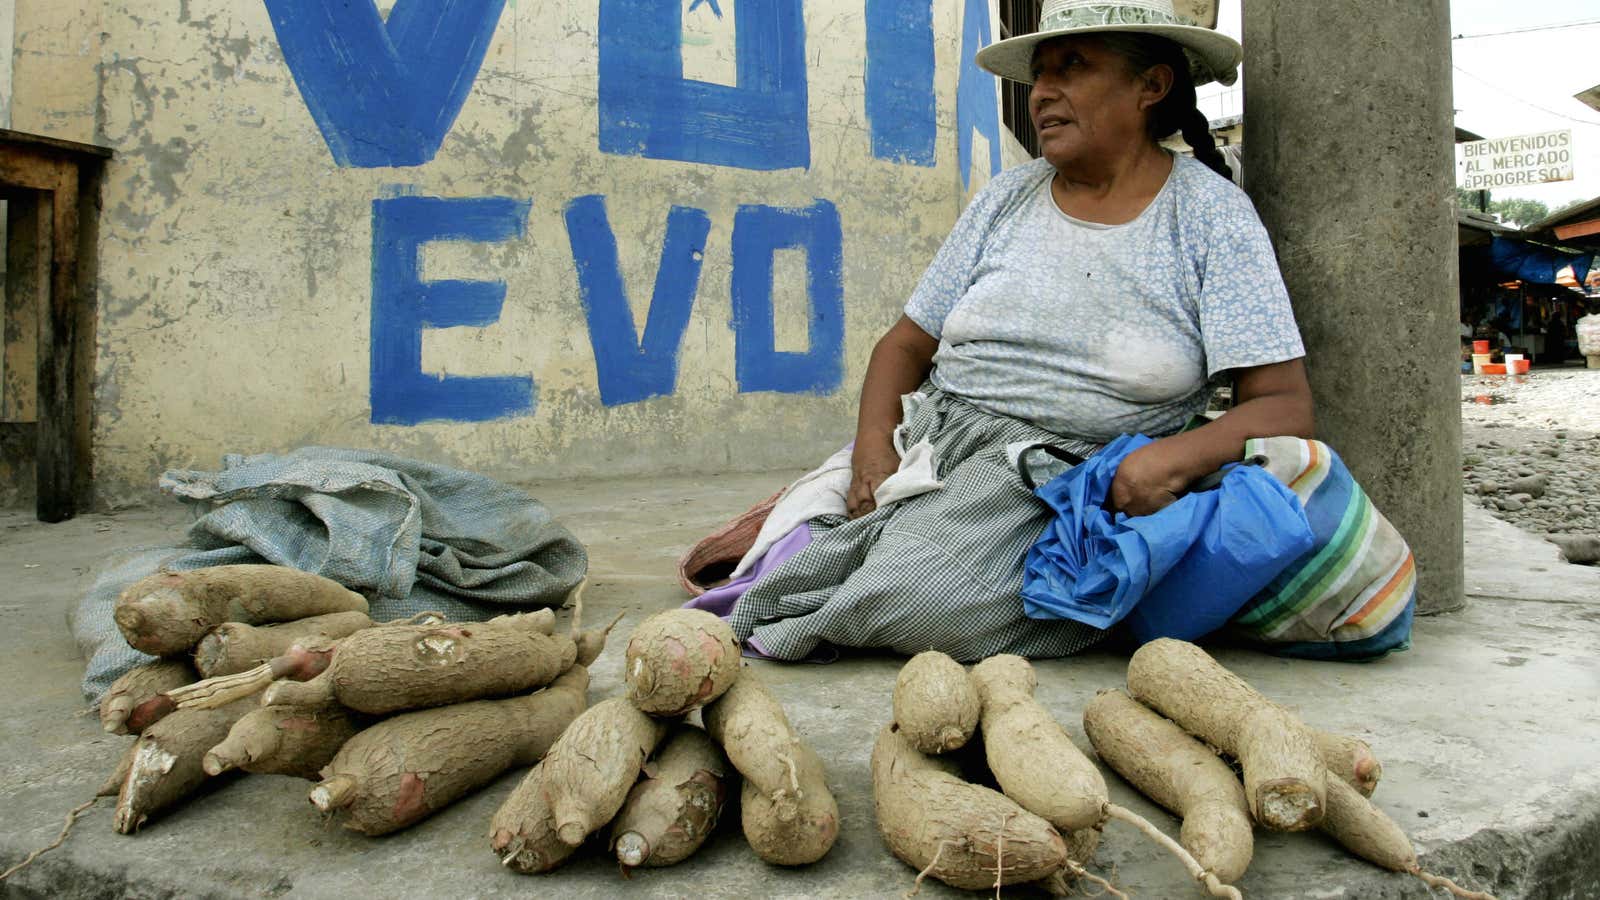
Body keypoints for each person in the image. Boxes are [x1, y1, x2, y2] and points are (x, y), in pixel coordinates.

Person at [727, 0, 1313, 663]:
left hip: (1064, 482)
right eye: (1038, 74)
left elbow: (1284, 405)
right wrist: (870, 447)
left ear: (1151, 86)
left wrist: (1166, 460)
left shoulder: (1210, 218)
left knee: (908, 597)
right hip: (939, 441)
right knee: (775, 563)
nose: (1042, 94)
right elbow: (904, 345)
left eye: (1073, 66)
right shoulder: (1005, 198)